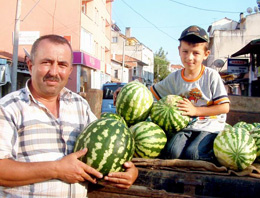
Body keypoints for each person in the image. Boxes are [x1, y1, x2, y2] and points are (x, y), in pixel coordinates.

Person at [0, 34, 138, 197]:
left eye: (62, 65)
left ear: (70, 70)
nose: (54, 71)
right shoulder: (8, 108)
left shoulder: (80, 105)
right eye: (46, 62)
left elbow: (106, 147)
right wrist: (57, 169)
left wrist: (130, 171)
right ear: (30, 65)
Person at [115, 25, 230, 163]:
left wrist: (195, 111)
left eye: (196, 53)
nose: (189, 57)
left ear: (206, 54)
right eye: (185, 51)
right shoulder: (174, 78)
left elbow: (224, 107)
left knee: (192, 154)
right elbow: (148, 92)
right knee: (172, 152)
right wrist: (126, 90)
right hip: (187, 126)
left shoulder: (212, 76)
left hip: (210, 125)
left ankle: (215, 155)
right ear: (179, 51)